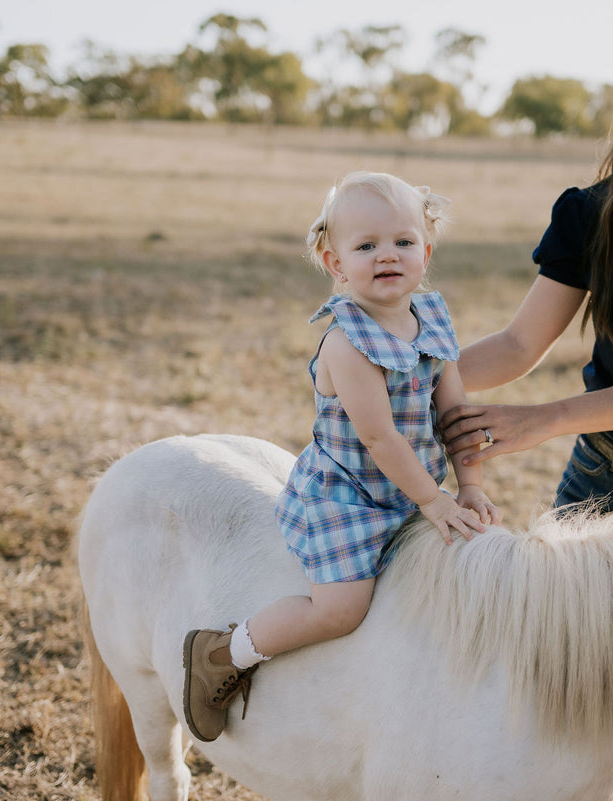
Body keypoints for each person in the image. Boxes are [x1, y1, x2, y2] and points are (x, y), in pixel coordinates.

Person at [182, 170, 501, 744]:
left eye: (403, 242)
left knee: (475, 564)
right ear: (336, 264)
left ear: (425, 253)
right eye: (366, 246)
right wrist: (433, 500)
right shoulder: (346, 341)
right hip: (347, 496)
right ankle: (224, 654)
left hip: (410, 489)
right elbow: (379, 438)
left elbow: (455, 414)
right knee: (342, 610)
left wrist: (471, 486)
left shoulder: (434, 320)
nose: (388, 256)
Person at [439, 120, 613, 801]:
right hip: (601, 473)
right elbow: (519, 346)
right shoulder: (592, 212)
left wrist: (542, 420)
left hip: (578, 440)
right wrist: (400, 373)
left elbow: (539, 396)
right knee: (555, 691)